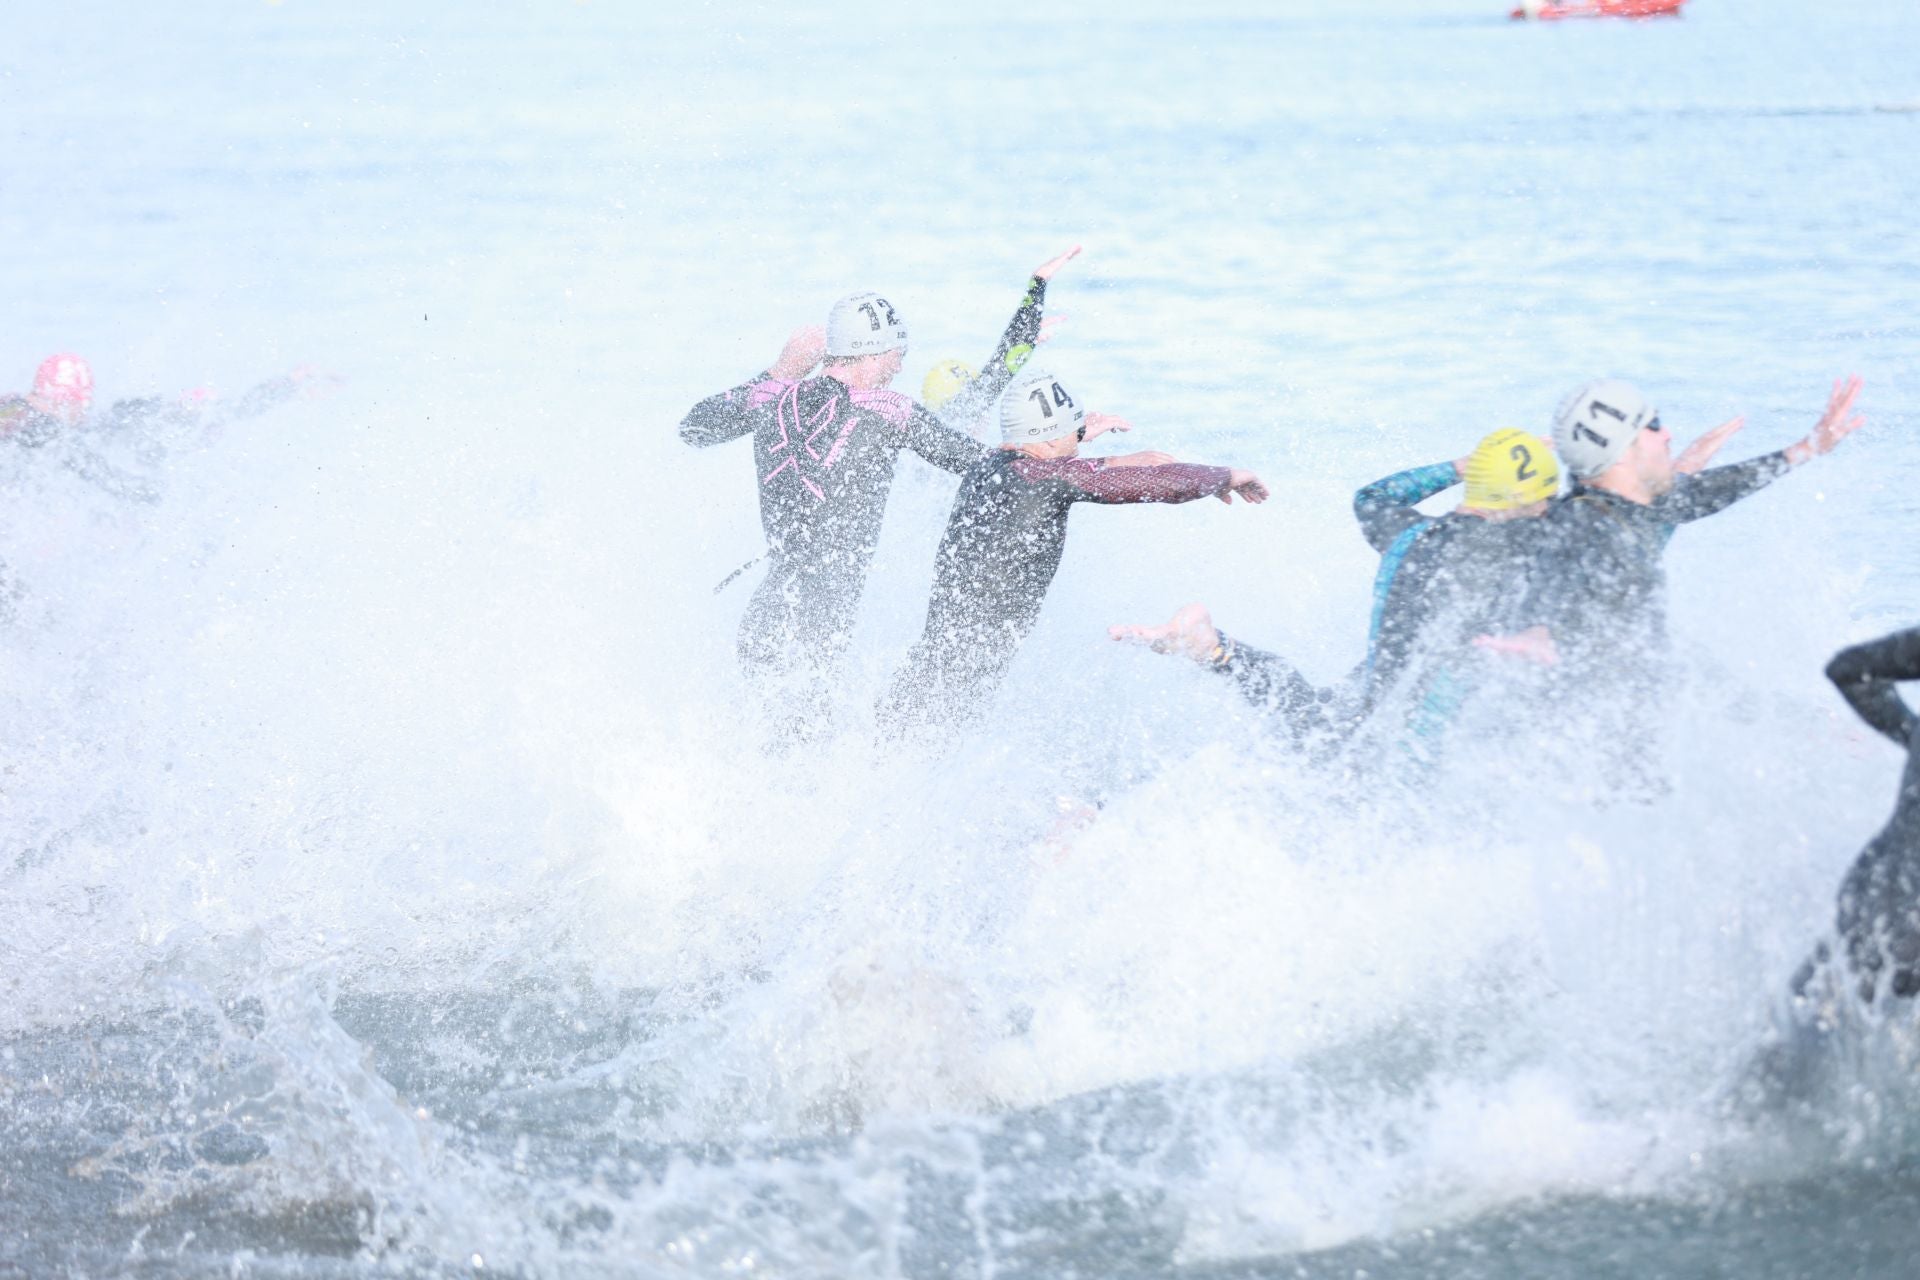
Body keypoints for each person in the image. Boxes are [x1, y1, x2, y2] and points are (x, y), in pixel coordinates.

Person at [1110, 427, 1561, 754]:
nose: (1546, 512)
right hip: (1412, 728)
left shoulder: (1409, 536)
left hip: (1373, 687)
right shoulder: (1517, 551)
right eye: (1544, 500)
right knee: (1332, 751)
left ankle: (1214, 646)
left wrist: (1463, 466)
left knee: (1315, 722)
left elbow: (1374, 497)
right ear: (1522, 501)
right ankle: (1212, 647)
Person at [879, 365, 1267, 733]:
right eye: (1071, 431)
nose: (1078, 440)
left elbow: (1052, 465)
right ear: (1048, 438)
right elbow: (1159, 485)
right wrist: (1226, 476)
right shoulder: (1047, 480)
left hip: (926, 673)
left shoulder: (989, 465)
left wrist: (1088, 445)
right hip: (955, 688)